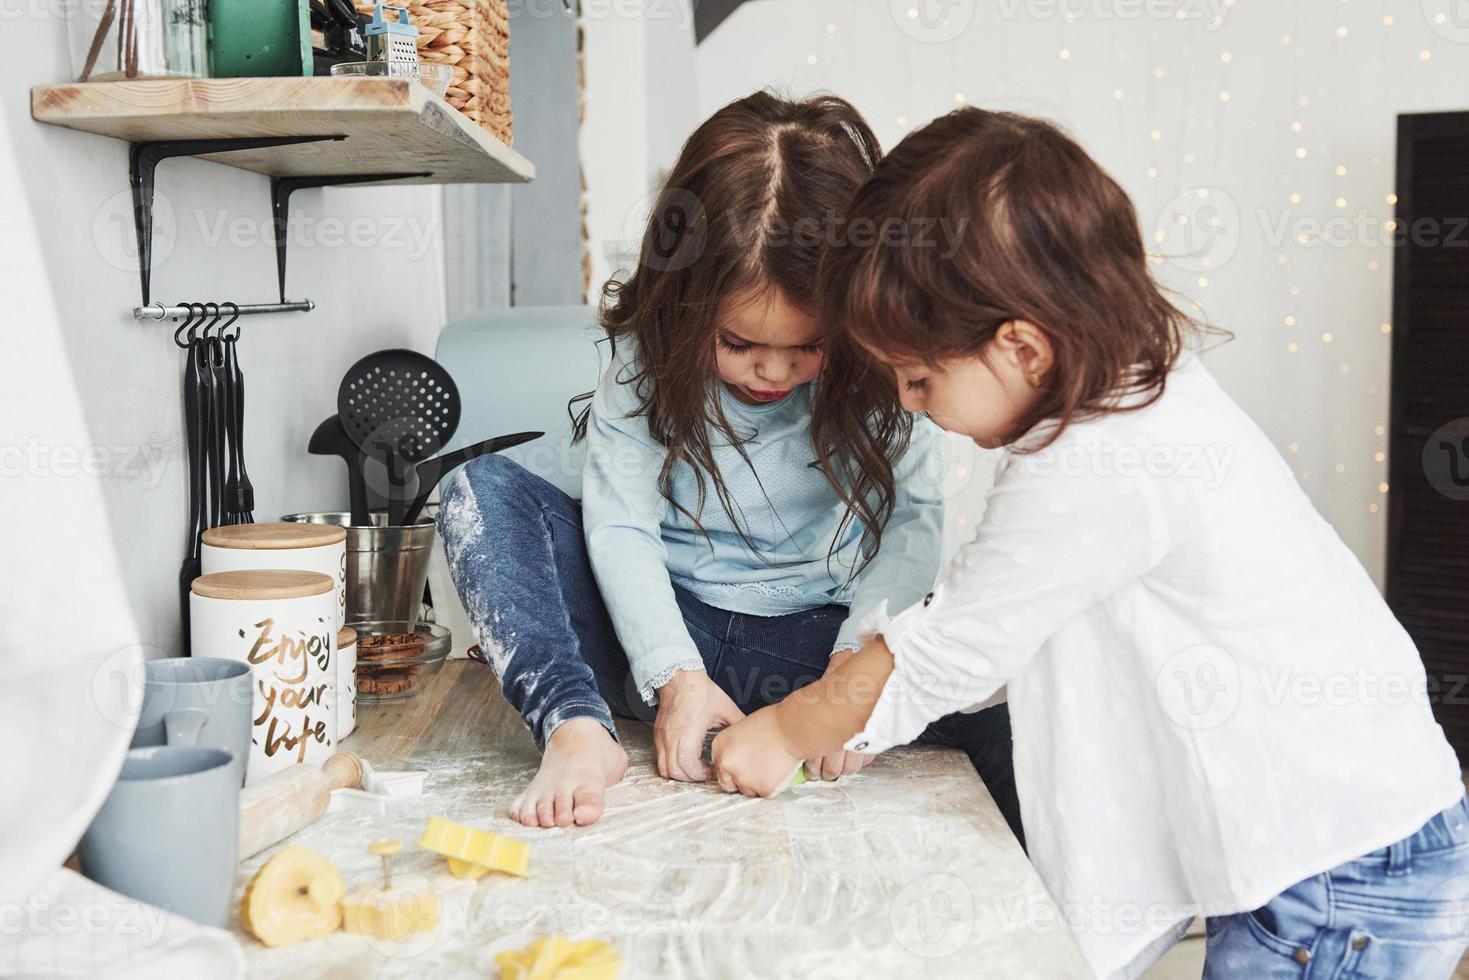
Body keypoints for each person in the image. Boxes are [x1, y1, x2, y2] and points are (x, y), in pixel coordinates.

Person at [711, 106, 1469, 980]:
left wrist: (783, 727)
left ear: (1023, 348)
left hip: (1342, 868)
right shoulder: (1132, 393)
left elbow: (954, 643)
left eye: (918, 378)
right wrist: (865, 718)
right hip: (1346, 838)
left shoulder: (1099, 459)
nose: (911, 404)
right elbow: (1009, 613)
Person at [438, 92, 1019, 838]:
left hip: (809, 651)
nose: (770, 372)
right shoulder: (645, 360)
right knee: (477, 491)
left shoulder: (889, 370)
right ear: (685, 305)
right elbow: (619, 527)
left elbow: (908, 523)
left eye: (806, 347)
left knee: (1002, 720)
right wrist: (674, 675)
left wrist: (846, 681)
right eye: (738, 344)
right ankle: (576, 727)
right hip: (649, 633)